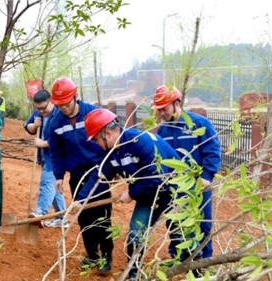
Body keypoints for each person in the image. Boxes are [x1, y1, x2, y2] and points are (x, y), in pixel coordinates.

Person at [83, 108, 197, 280]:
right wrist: (81, 200)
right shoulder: (112, 151)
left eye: (97, 140)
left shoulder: (141, 142)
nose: (96, 144)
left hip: (174, 191)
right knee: (136, 235)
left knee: (181, 234)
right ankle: (134, 275)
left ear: (107, 133)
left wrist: (131, 193)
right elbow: (100, 176)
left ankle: (198, 271)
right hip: (148, 196)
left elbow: (157, 178)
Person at [48, 77, 113, 275]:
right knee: (84, 217)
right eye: (59, 105)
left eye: (67, 103)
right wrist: (59, 176)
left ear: (75, 97)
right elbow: (56, 151)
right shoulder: (55, 122)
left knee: (102, 217)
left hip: (99, 173)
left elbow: (110, 139)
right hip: (76, 175)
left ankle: (106, 256)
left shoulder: (92, 114)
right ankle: (92, 254)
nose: (64, 108)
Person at [153, 85, 221, 259]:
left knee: (202, 224)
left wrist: (206, 177)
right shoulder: (163, 130)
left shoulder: (199, 123)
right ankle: (179, 259)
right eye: (159, 109)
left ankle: (204, 262)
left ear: (177, 103)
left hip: (199, 185)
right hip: (175, 186)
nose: (161, 113)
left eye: (164, 108)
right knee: (175, 223)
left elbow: (212, 151)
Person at [24, 89, 67, 228]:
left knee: (46, 182)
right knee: (54, 187)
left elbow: (63, 139)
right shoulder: (38, 113)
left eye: (43, 108)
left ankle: (40, 212)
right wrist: (34, 125)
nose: (41, 111)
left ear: (51, 101)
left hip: (56, 157)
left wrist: (44, 143)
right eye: (38, 108)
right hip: (44, 156)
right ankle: (61, 217)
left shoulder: (60, 115)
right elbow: (28, 127)